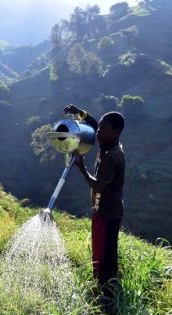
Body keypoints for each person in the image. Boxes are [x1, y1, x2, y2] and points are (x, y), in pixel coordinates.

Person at [63, 104, 125, 301]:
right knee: (100, 249)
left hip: (109, 213)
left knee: (106, 254)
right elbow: (94, 122)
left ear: (116, 132)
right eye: (98, 129)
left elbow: (98, 187)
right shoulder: (107, 143)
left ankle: (108, 293)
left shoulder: (112, 156)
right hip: (101, 211)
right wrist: (78, 110)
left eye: (103, 131)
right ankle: (102, 284)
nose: (98, 133)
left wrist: (82, 168)